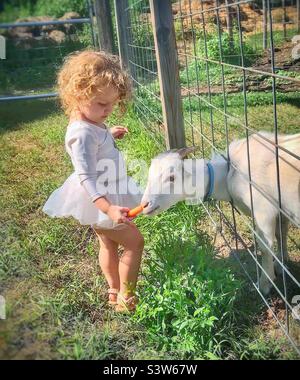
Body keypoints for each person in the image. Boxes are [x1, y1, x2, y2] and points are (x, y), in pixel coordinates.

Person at [43, 50, 145, 312]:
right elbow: (86, 176)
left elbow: (92, 144)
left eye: (112, 102)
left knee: (108, 243)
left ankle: (113, 290)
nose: (108, 109)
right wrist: (108, 208)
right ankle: (127, 297)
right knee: (135, 243)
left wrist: (108, 134)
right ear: (79, 94)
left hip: (104, 194)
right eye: (102, 104)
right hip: (101, 198)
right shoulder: (82, 132)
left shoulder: (89, 123)